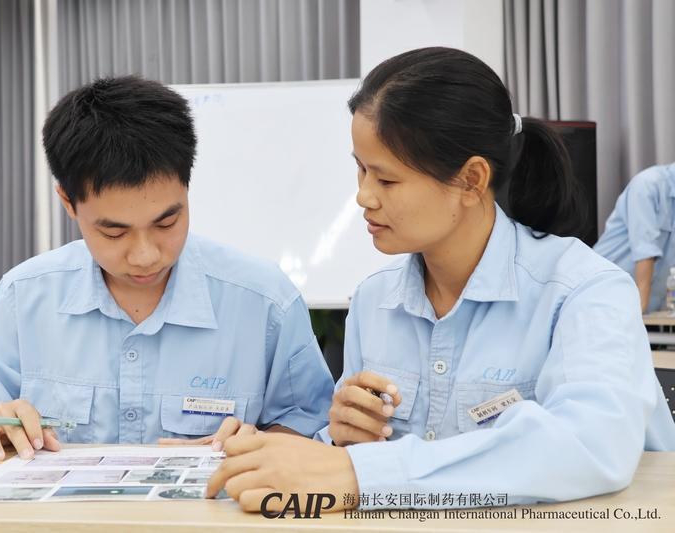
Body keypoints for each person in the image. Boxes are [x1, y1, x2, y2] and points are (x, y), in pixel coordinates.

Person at [207, 47, 675, 512]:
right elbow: (349, 460)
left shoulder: (586, 290)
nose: (363, 196)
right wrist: (343, 438)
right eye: (361, 169)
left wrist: (362, 474)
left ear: (471, 180)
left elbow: (591, 444)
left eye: (386, 180)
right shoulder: (374, 300)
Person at [0, 76, 333, 461]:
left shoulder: (265, 303)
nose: (146, 255)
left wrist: (264, 443)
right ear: (68, 201)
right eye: (114, 232)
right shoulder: (22, 298)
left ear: (186, 186)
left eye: (166, 223)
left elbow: (309, 427)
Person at [594, 163, 675, 312]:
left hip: (641, 309)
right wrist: (638, 314)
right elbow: (645, 252)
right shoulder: (648, 184)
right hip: (600, 296)